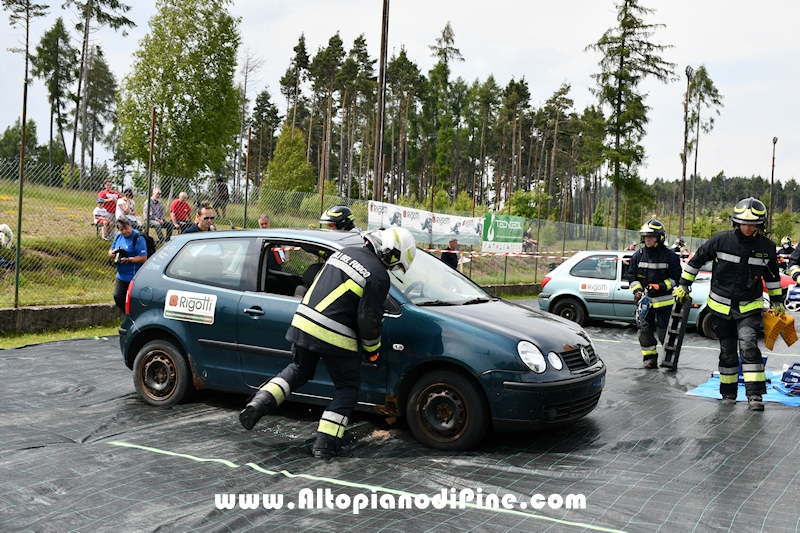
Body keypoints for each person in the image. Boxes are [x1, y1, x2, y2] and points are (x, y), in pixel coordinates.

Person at [238, 227, 417, 458]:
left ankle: (259, 403)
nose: (392, 268)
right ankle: (326, 445)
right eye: (395, 263)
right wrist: (372, 350)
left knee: (299, 370)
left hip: (303, 322)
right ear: (390, 253)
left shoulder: (344, 253)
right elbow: (368, 319)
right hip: (335, 334)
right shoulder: (378, 275)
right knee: (347, 388)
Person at [674, 197, 783, 411]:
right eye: (743, 223)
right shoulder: (720, 241)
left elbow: (772, 277)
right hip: (720, 307)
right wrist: (683, 285)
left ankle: (754, 395)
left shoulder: (767, 247)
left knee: (748, 344)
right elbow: (695, 261)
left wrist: (778, 300)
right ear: (735, 222)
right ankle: (728, 393)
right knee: (728, 351)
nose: (748, 227)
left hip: (749, 307)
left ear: (760, 224)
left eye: (752, 224)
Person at [627, 219, 682, 369]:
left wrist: (660, 287)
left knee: (665, 334)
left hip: (665, 303)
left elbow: (676, 279)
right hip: (645, 304)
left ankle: (669, 359)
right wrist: (637, 291)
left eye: (651, 236)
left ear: (659, 237)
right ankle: (650, 359)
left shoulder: (670, 256)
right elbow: (631, 277)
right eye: (645, 237)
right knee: (644, 332)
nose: (648, 240)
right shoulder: (638, 255)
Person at [108, 216, 148, 312]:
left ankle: (133, 318)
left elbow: (143, 258)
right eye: (122, 229)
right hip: (121, 275)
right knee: (118, 297)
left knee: (133, 300)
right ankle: (127, 316)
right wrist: (113, 254)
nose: (125, 231)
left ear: (130, 226)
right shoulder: (118, 236)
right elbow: (110, 251)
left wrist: (127, 260)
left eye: (126, 228)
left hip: (134, 276)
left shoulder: (138, 237)